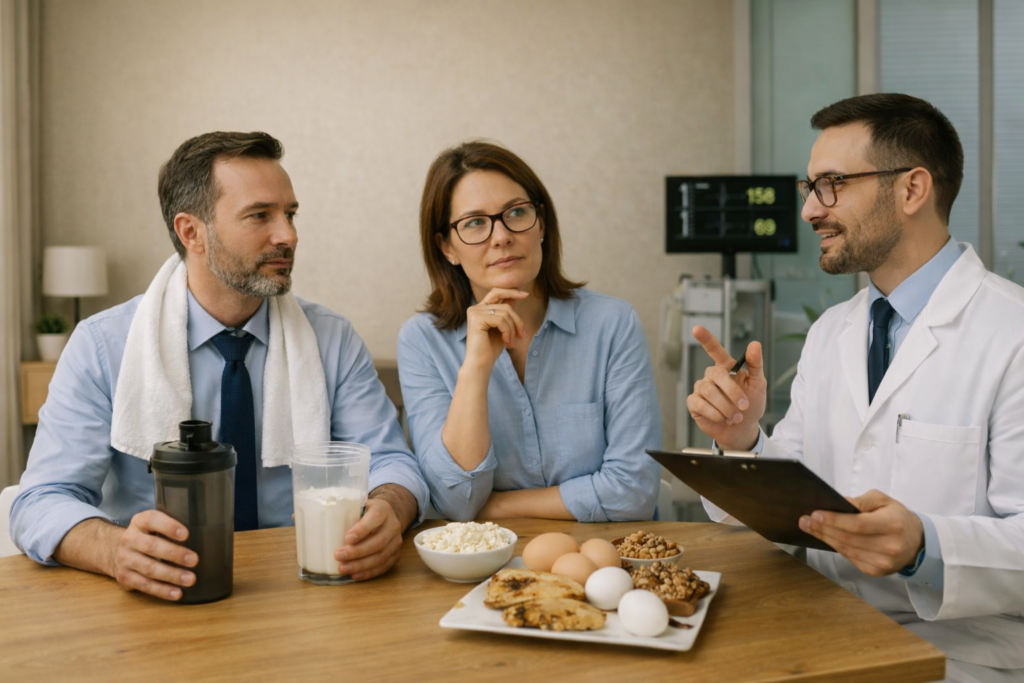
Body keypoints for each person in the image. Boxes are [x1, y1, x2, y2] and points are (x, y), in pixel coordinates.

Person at [686, 94, 1024, 682]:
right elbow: (795, 495)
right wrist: (742, 441)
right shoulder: (832, 331)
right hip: (823, 628)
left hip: (961, 655)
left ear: (912, 189)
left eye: (832, 184)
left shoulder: (1011, 332)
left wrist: (924, 545)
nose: (809, 209)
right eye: (810, 187)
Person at [11, 131, 428, 601]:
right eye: (260, 215)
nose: (288, 235)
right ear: (192, 232)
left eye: (290, 214)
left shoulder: (331, 339)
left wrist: (390, 509)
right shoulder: (102, 345)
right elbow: (40, 501)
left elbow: (392, 463)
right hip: (160, 598)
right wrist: (114, 550)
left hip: (304, 591)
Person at [397, 141, 662, 523]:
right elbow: (455, 500)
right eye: (474, 223)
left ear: (542, 224)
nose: (501, 236)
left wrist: (496, 506)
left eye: (516, 212)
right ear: (447, 248)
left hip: (607, 552)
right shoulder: (422, 341)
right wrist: (476, 368)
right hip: (487, 556)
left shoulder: (613, 324)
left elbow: (633, 492)